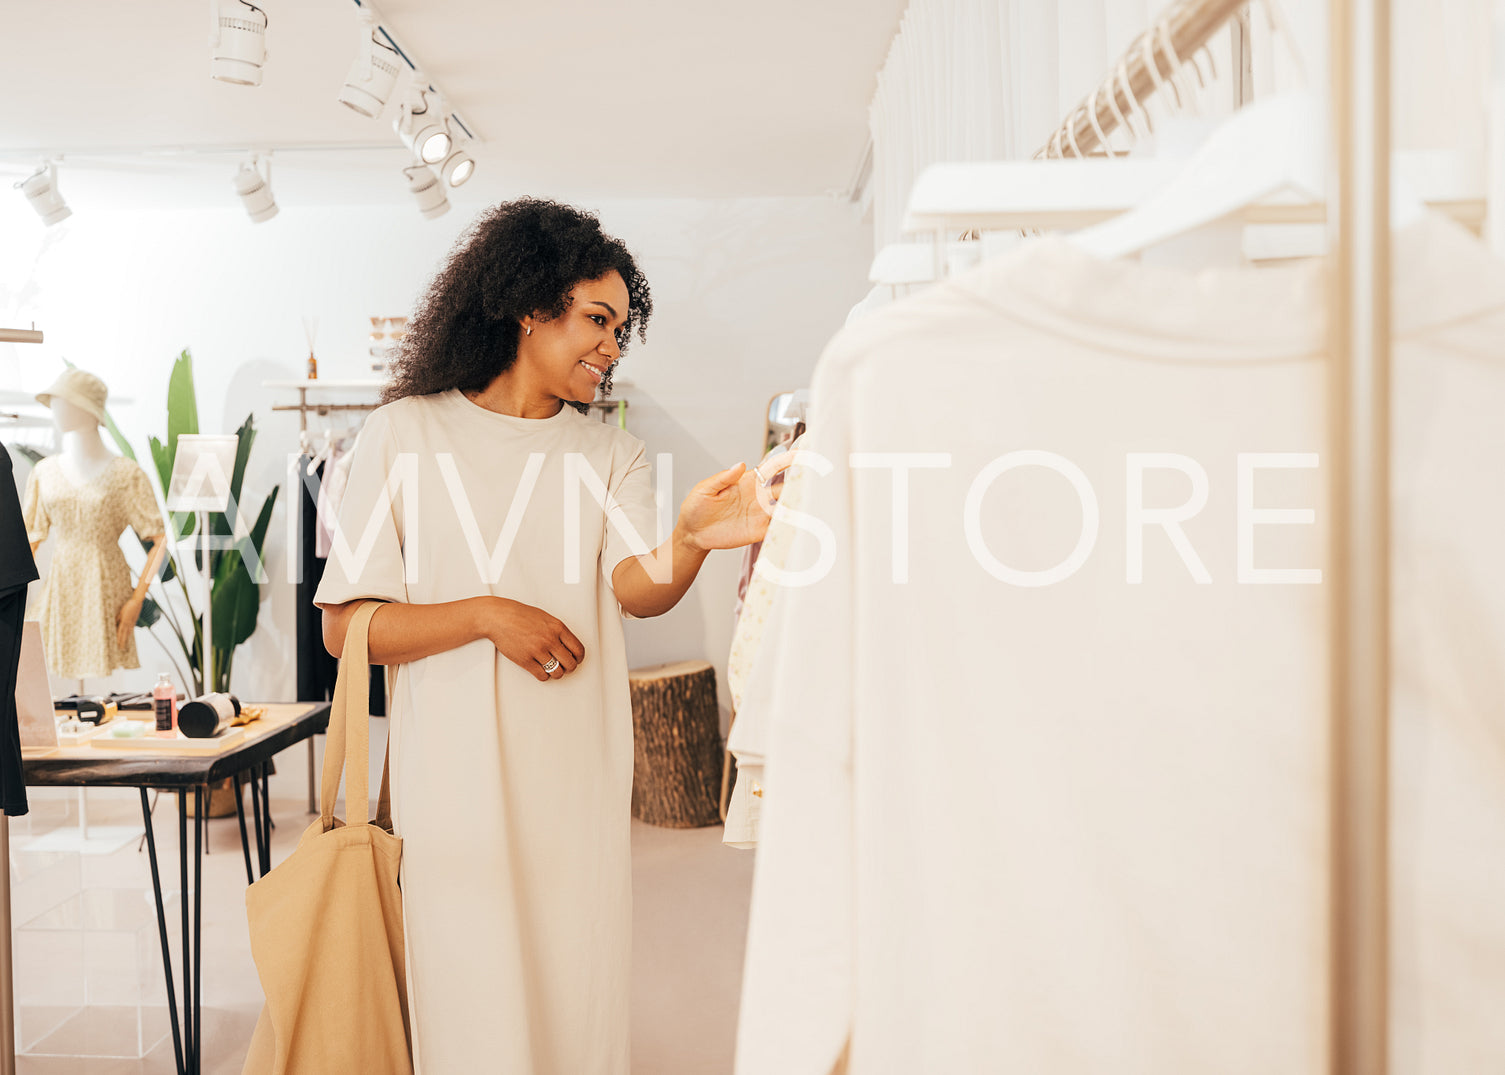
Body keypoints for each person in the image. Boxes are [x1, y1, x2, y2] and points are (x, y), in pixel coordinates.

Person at [315, 198, 788, 1074]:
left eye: (620, 328)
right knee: (469, 1000)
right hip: (450, 784)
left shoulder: (608, 453)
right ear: (529, 308)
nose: (611, 347)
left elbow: (635, 590)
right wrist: (487, 614)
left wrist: (687, 540)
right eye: (596, 320)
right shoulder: (403, 435)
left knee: (577, 1000)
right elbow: (345, 627)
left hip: (575, 777)